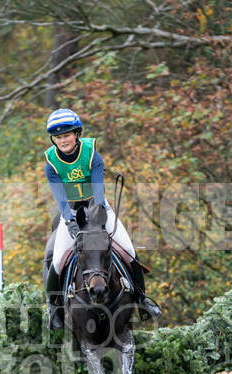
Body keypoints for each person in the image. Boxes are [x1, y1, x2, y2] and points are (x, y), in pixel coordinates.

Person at [44, 108, 161, 329]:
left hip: (98, 208)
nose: (63, 140)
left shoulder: (91, 154)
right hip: (70, 212)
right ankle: (55, 309)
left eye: (67, 135)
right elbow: (59, 197)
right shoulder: (50, 163)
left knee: (129, 251)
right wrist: (69, 221)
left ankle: (141, 299)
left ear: (77, 134)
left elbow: (98, 191)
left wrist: (98, 216)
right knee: (58, 260)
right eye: (58, 137)